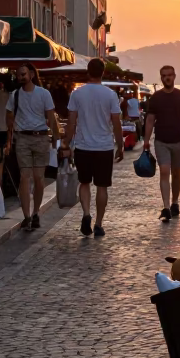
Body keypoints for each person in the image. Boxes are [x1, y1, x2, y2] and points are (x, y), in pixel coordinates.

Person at [60, 58, 123, 238]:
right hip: (104, 147)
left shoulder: (77, 94)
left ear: (88, 72)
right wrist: (120, 145)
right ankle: (98, 224)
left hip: (83, 146)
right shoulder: (110, 95)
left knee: (84, 182)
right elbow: (116, 123)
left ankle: (86, 213)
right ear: (103, 72)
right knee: (102, 187)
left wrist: (67, 142)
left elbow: (71, 123)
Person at [5, 62, 60, 232]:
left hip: (40, 138)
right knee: (24, 177)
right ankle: (26, 216)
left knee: (38, 177)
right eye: (18, 74)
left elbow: (51, 118)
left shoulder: (43, 94)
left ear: (32, 75)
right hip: (22, 138)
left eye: (23, 74)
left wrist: (57, 139)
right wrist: (9, 139)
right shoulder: (15, 95)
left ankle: (36, 212)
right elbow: (9, 117)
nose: (20, 77)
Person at [143, 65, 180, 222]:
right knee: (164, 171)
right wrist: (146, 140)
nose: (167, 78)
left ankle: (175, 202)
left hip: (179, 140)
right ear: (161, 77)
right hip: (161, 141)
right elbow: (150, 120)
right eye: (164, 75)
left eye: (169, 75)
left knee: (177, 173)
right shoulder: (156, 98)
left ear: (174, 76)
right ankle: (166, 207)